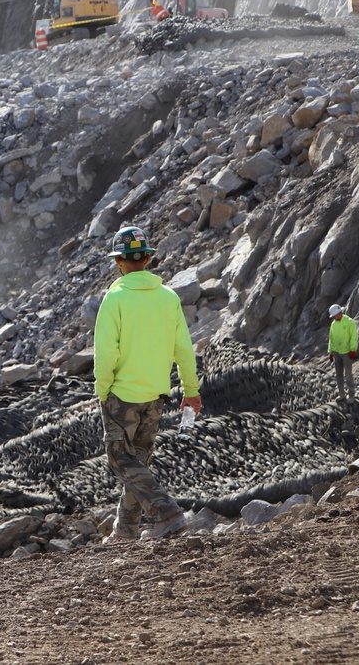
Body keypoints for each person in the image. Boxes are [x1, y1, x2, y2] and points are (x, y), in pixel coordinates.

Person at [94, 226, 201, 542]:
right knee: (137, 463)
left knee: (120, 459)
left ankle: (166, 513)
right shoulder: (168, 298)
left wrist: (103, 391)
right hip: (156, 395)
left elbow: (105, 354)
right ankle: (125, 531)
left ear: (119, 263)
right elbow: (184, 349)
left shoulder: (115, 299)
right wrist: (191, 391)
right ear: (149, 258)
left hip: (121, 397)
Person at [327, 304, 358, 403]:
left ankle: (351, 395)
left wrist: (352, 350)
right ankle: (342, 395)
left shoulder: (349, 322)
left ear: (340, 313)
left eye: (335, 316)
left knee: (348, 374)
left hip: (347, 352)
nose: (334, 318)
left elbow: (354, 337)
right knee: (338, 375)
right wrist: (330, 351)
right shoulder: (333, 324)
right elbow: (331, 339)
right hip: (336, 352)